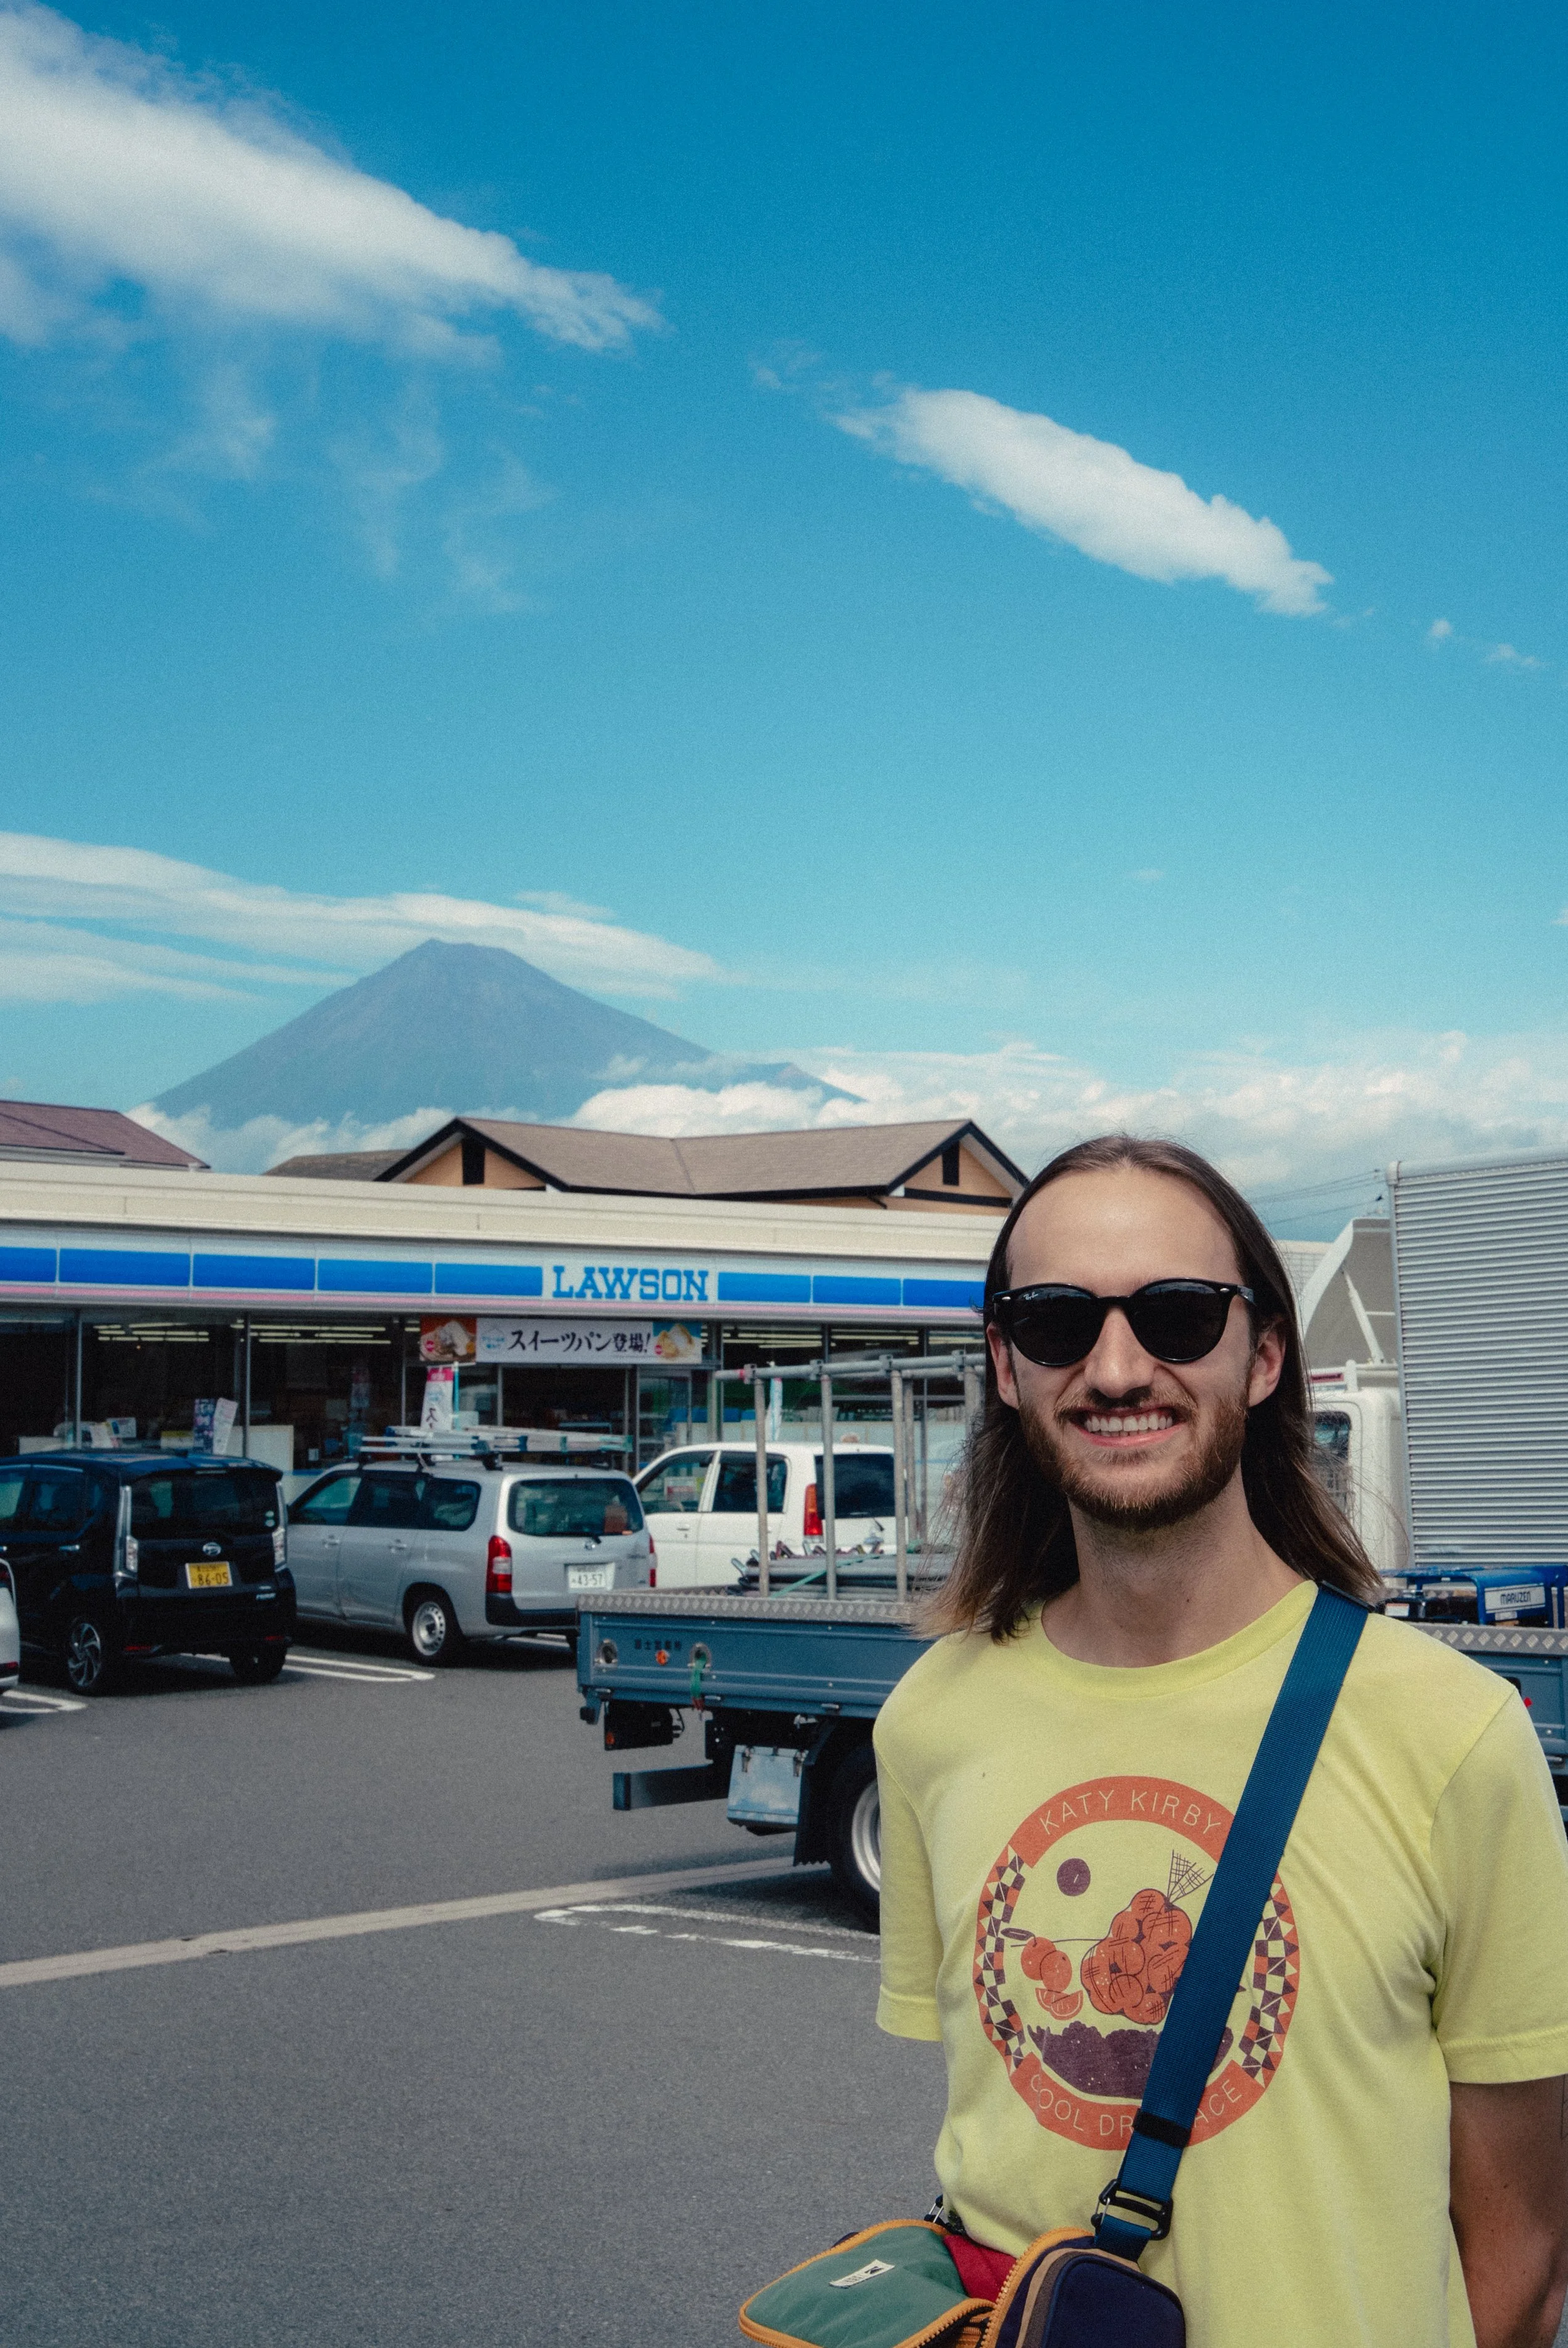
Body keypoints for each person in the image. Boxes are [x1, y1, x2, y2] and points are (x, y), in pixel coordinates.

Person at [874, 1133, 1568, 2348]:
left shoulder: (1449, 1730)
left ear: (1261, 1356)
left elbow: (1521, 2238)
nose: (1115, 1365)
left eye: (1178, 1314)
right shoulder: (931, 1717)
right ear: (1001, 1364)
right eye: (1052, 1322)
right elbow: (997, 2174)